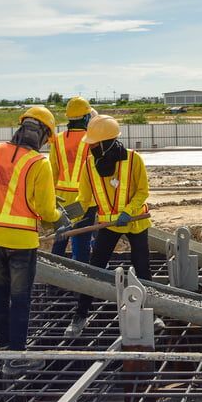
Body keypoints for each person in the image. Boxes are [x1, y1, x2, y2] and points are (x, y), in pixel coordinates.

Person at [0, 106, 70, 374]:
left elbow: (4, 187)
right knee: (20, 298)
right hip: (20, 241)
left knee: (0, 290)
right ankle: (17, 357)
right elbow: (43, 208)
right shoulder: (38, 163)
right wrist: (57, 216)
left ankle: (4, 345)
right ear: (42, 134)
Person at [65, 115, 153, 337]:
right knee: (95, 268)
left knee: (142, 266)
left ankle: (152, 313)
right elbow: (84, 200)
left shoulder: (134, 160)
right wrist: (66, 218)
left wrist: (128, 211)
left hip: (135, 222)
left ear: (106, 143)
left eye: (94, 143)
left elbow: (142, 191)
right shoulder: (90, 166)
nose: (90, 146)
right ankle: (81, 314)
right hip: (109, 224)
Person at [50, 97, 96, 262]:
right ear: (86, 117)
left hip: (61, 199)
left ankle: (54, 280)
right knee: (82, 243)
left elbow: (52, 170)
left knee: (60, 240)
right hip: (84, 200)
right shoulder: (92, 139)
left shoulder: (58, 139)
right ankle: (81, 283)